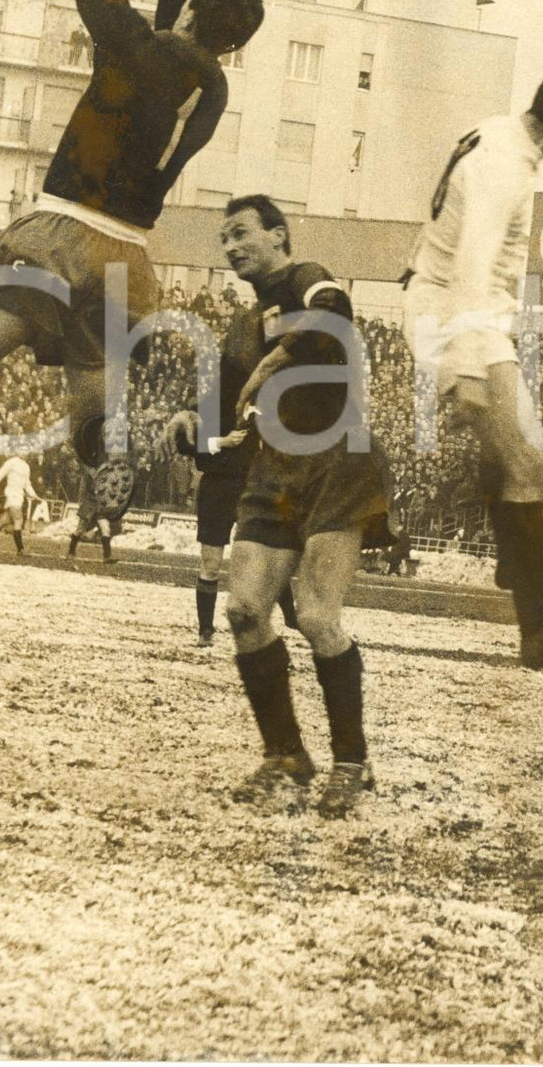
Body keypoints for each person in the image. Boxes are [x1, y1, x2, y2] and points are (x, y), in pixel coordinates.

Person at [0, 0, 265, 593]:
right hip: (126, 261)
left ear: (198, 12)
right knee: (89, 423)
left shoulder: (133, 46)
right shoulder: (214, 87)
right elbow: (183, 40)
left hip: (58, 233)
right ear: (237, 41)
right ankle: (105, 457)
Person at [402, 63, 543, 669]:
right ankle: (540, 625)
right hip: (454, 314)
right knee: (524, 463)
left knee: (526, 460)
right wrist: (464, 364)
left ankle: (517, 558)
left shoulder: (499, 137)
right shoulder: (502, 163)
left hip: (470, 316)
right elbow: (471, 263)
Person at [211, 196, 391, 818]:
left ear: (278, 235)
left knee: (316, 617)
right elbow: (224, 424)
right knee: (242, 611)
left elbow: (335, 317)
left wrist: (278, 356)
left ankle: (351, 760)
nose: (231, 248)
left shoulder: (304, 277)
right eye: (223, 240)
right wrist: (194, 431)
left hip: (338, 460)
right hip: (275, 470)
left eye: (241, 234)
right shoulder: (239, 328)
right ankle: (285, 755)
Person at [157, 329, 301, 646]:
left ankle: (292, 617)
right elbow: (184, 444)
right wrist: (221, 442)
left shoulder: (265, 400)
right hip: (218, 486)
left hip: (251, 487)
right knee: (211, 562)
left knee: (265, 556)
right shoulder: (206, 404)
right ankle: (206, 630)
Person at [67, 465, 121, 563]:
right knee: (80, 530)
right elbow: (83, 488)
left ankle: (107, 557)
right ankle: (71, 552)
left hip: (100, 505)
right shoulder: (89, 472)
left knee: (105, 528)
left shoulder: (108, 472)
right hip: (90, 504)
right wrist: (82, 502)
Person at [0, 455, 41, 554]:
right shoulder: (11, 462)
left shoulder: (26, 466)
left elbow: (27, 484)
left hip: (19, 497)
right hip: (11, 495)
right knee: (18, 520)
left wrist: (35, 495)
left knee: (4, 522)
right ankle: (20, 549)